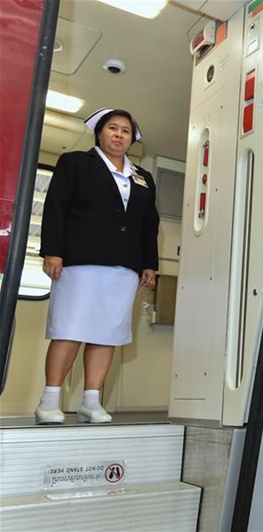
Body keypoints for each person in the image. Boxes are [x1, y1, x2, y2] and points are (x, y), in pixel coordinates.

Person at [35, 108, 159, 425]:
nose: (119, 135)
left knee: (108, 333)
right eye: (113, 128)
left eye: (126, 131)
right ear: (100, 133)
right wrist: (52, 251)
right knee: (69, 328)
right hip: (80, 259)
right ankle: (50, 398)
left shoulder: (142, 178)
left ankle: (91, 400)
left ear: (133, 139)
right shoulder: (76, 163)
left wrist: (149, 263)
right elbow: (56, 206)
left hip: (125, 265)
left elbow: (149, 224)